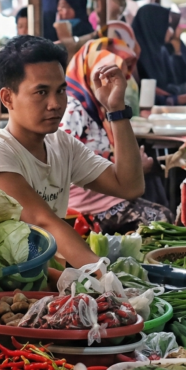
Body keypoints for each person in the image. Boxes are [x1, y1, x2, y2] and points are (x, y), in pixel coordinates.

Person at [0, 36, 145, 268]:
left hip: (44, 273)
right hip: (3, 281)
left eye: (60, 91)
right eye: (41, 92)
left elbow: (129, 186)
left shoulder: (61, 144)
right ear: (8, 98)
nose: (55, 103)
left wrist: (116, 110)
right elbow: (43, 222)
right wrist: (102, 274)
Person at [61, 37, 173, 232]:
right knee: (161, 219)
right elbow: (71, 169)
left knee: (155, 193)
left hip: (107, 195)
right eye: (102, 77)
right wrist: (130, 167)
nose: (108, 84)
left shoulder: (97, 108)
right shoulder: (73, 112)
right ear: (89, 72)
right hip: (87, 204)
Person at [131, 3, 186, 106]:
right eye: (167, 25)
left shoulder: (160, 52)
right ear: (154, 25)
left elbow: (178, 81)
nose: (171, 31)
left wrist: (177, 51)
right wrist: (177, 99)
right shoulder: (135, 55)